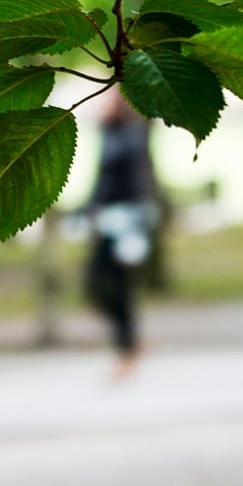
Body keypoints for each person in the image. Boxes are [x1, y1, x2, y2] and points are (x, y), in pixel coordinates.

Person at [83, 93, 158, 380]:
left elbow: (138, 177)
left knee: (119, 286)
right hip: (107, 220)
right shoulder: (109, 132)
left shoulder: (132, 135)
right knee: (99, 284)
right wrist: (90, 208)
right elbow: (100, 178)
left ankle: (128, 346)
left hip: (127, 220)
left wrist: (141, 218)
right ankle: (128, 342)